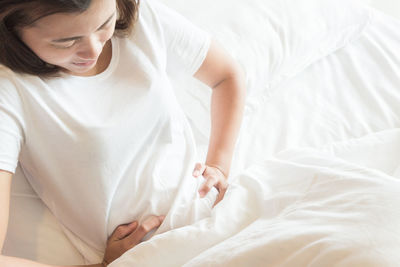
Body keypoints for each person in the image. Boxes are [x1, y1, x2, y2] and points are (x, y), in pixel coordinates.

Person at [0, 0, 246, 266]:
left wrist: (219, 165)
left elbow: (227, 76)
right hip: (151, 256)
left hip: (221, 214)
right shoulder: (10, 90)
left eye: (104, 24)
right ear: (11, 32)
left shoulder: (143, 21)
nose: (93, 49)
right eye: (66, 42)